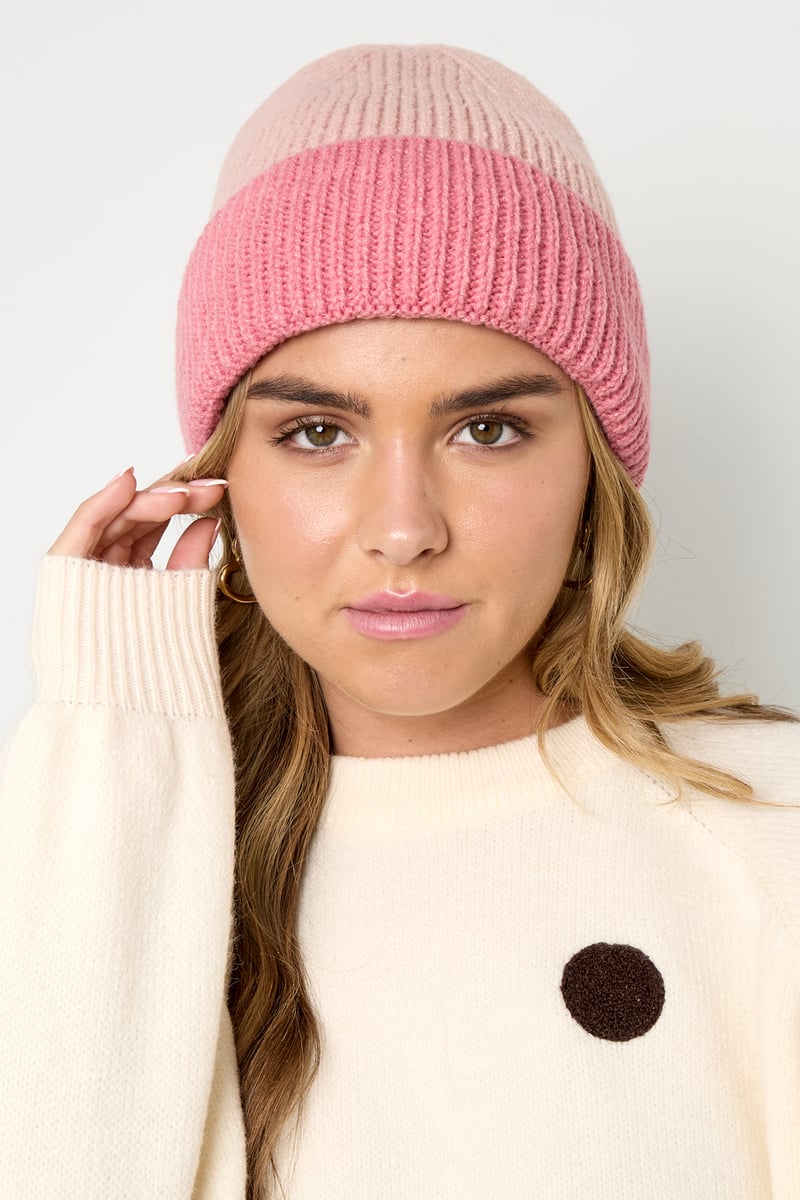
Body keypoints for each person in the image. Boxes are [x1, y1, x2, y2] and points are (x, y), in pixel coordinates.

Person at [1, 41, 798, 1200]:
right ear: (222, 472)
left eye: (487, 429)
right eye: (317, 433)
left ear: (593, 465)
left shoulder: (770, 831)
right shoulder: (112, 854)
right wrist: (114, 743)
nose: (403, 529)